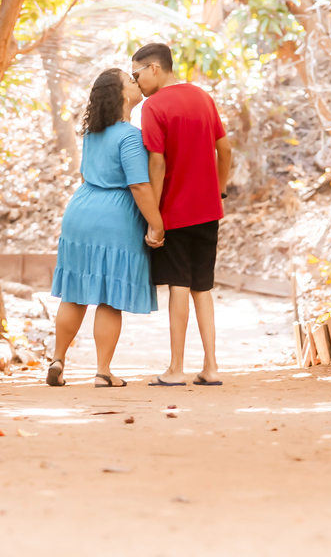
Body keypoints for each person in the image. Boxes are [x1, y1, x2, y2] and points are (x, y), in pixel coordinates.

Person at [46, 69, 165, 388]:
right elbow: (139, 186)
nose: (136, 83)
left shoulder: (92, 133)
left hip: (80, 212)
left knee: (74, 292)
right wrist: (157, 224)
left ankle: (58, 358)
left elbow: (86, 176)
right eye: (131, 81)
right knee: (109, 296)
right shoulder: (129, 135)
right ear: (123, 95)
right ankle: (103, 371)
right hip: (115, 217)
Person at [131, 43, 232, 387]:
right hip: (208, 211)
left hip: (174, 212)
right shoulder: (203, 96)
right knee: (202, 289)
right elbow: (225, 148)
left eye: (137, 74)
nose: (137, 82)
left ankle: (176, 369)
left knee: (178, 286)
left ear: (154, 69)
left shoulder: (152, 106)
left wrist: (153, 218)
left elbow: (156, 163)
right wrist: (219, 188)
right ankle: (212, 367)